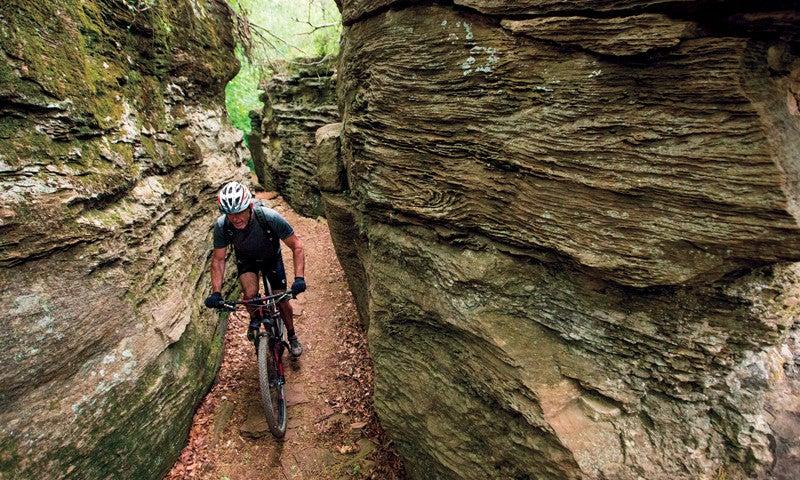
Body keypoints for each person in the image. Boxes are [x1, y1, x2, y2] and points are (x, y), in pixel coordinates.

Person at [204, 181, 306, 357]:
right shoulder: (222, 226)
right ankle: (256, 318)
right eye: (230, 214)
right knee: (250, 296)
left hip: (271, 258)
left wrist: (299, 279)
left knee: (281, 299)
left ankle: (292, 335)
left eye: (239, 212)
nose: (235, 218)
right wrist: (216, 293)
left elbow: (296, 246)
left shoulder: (268, 217)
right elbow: (219, 259)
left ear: (250, 206)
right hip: (247, 261)